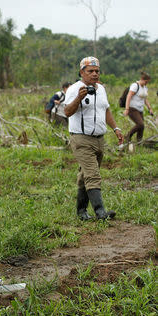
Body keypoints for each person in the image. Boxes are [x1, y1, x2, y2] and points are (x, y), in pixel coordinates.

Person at [63, 56, 124, 221]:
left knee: (85, 176)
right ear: (82, 72)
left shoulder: (101, 89)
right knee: (92, 174)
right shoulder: (75, 89)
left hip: (99, 139)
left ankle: (81, 212)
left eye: (97, 71)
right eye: (91, 71)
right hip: (81, 139)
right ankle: (100, 212)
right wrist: (79, 98)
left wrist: (116, 128)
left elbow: (106, 110)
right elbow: (67, 112)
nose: (95, 74)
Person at [123, 72, 154, 144]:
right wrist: (127, 109)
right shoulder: (135, 86)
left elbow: (145, 99)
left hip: (140, 109)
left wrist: (150, 108)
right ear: (142, 79)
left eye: (148, 82)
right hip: (132, 108)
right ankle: (128, 136)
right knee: (140, 124)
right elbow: (129, 96)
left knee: (142, 127)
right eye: (146, 82)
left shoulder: (145, 88)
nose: (146, 83)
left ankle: (139, 142)